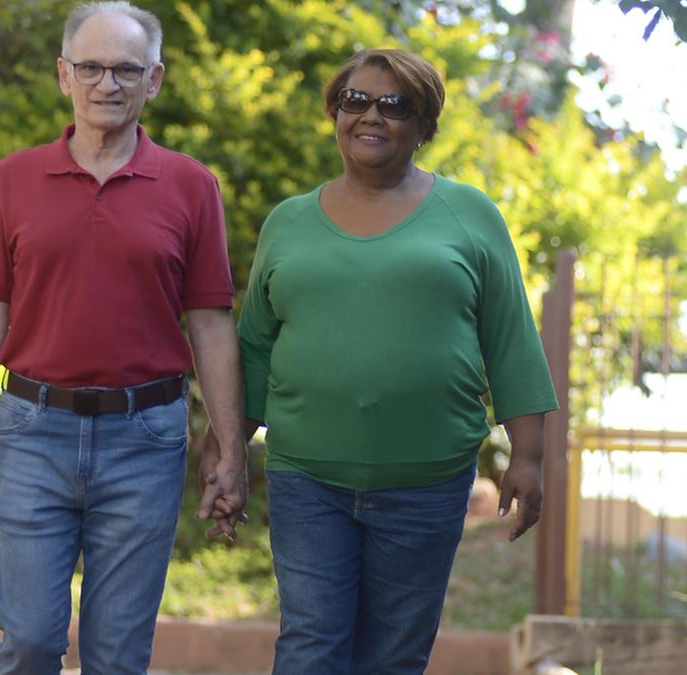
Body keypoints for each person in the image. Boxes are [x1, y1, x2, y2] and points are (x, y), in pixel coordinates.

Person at [202, 48, 558, 674]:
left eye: (396, 106)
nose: (372, 115)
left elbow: (511, 340)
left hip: (428, 481)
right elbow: (254, 346)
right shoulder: (288, 223)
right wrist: (228, 454)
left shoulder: (470, 215)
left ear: (423, 127)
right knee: (312, 645)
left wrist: (527, 457)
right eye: (355, 101)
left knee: (393, 657)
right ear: (336, 115)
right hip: (307, 477)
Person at [0, 3, 247, 673]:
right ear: (63, 74)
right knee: (28, 639)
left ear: (155, 80)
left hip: (147, 438)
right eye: (91, 67)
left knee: (117, 654)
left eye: (126, 70)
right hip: (31, 430)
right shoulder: (13, 180)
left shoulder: (192, 186)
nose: (107, 83)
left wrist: (229, 445)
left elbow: (211, 324)